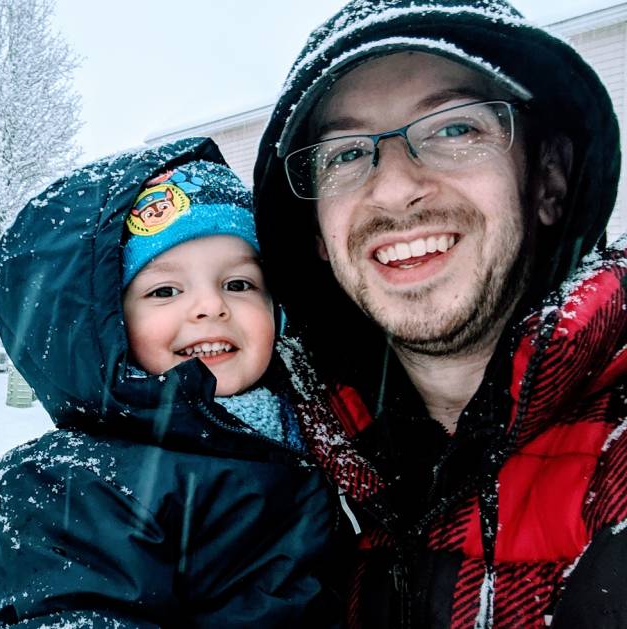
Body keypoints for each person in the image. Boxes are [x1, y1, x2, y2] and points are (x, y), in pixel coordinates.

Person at [251, 0, 626, 626]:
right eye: (345, 153)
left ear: (549, 181)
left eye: (454, 129)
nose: (394, 188)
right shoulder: (298, 473)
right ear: (316, 233)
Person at [0, 138, 346, 627]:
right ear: (101, 330)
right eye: (164, 290)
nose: (212, 307)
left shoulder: (324, 432)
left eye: (239, 284)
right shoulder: (68, 486)